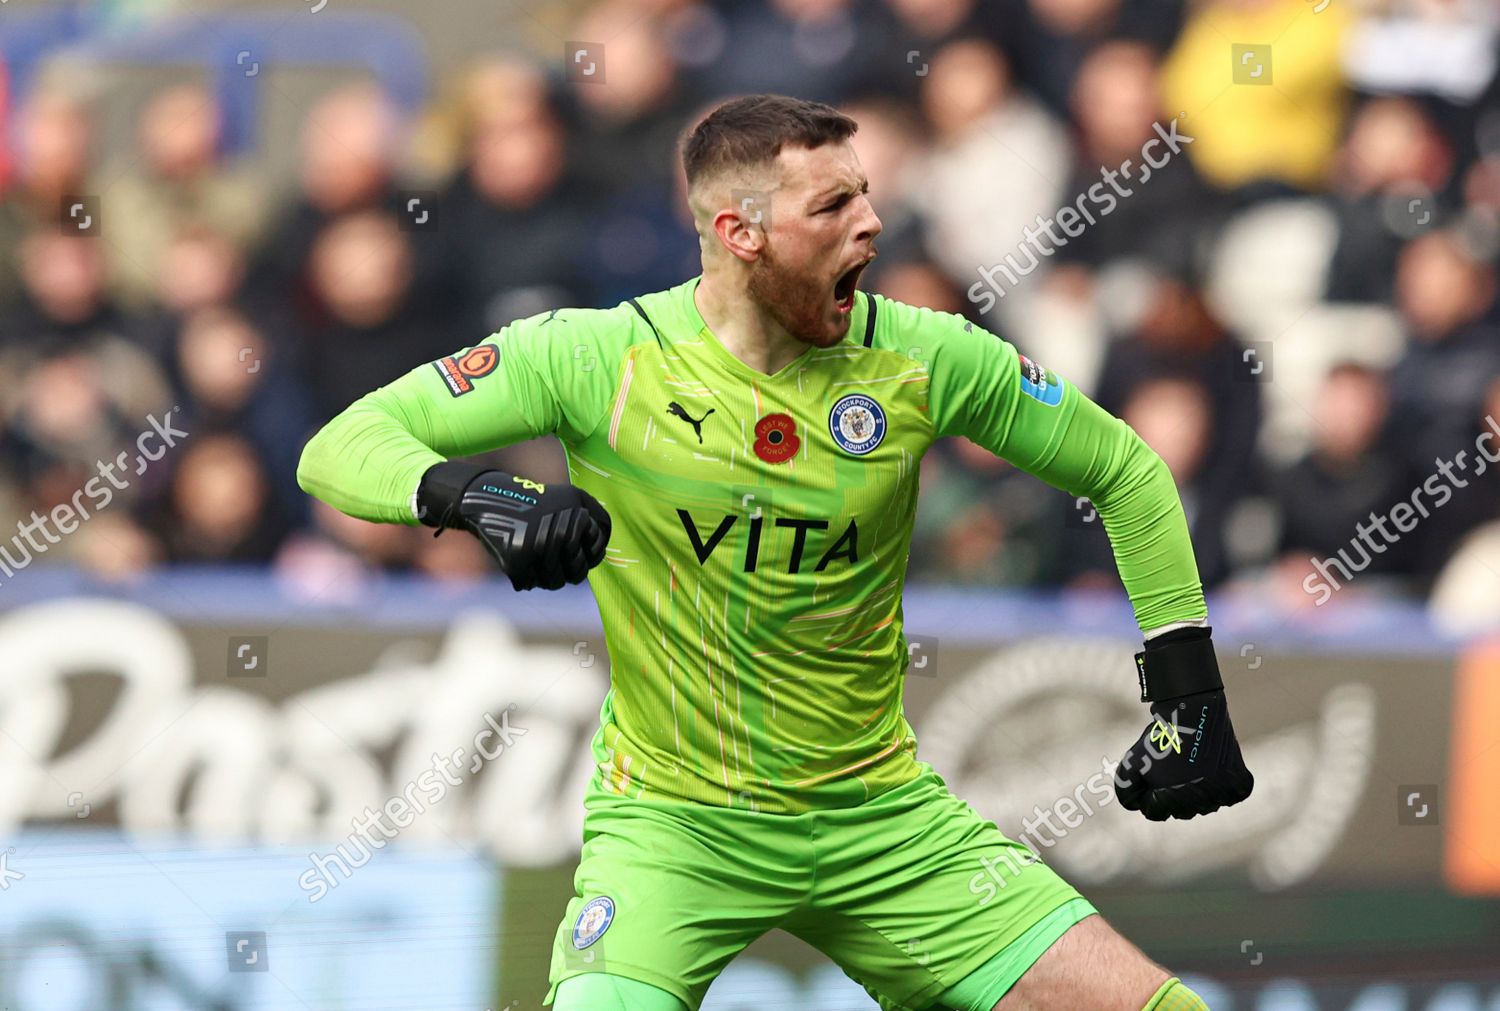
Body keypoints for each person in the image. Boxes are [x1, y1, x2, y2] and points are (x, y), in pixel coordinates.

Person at [297, 94, 1252, 1011]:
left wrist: (1188, 688)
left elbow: (1124, 469)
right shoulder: (596, 358)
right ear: (739, 232)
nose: (873, 223)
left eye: (868, 192)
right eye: (834, 204)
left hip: (883, 820)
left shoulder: (925, 355)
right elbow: (339, 447)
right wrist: (478, 495)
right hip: (675, 826)